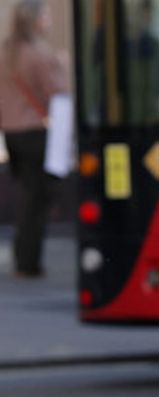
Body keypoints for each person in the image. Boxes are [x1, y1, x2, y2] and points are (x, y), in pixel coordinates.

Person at [0, 0, 68, 277]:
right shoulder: (39, 53)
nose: (49, 19)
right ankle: (28, 260)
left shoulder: (6, 51)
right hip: (34, 131)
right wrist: (61, 66)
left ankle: (22, 254)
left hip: (11, 132)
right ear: (36, 19)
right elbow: (58, 93)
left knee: (28, 194)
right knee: (38, 197)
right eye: (46, 14)